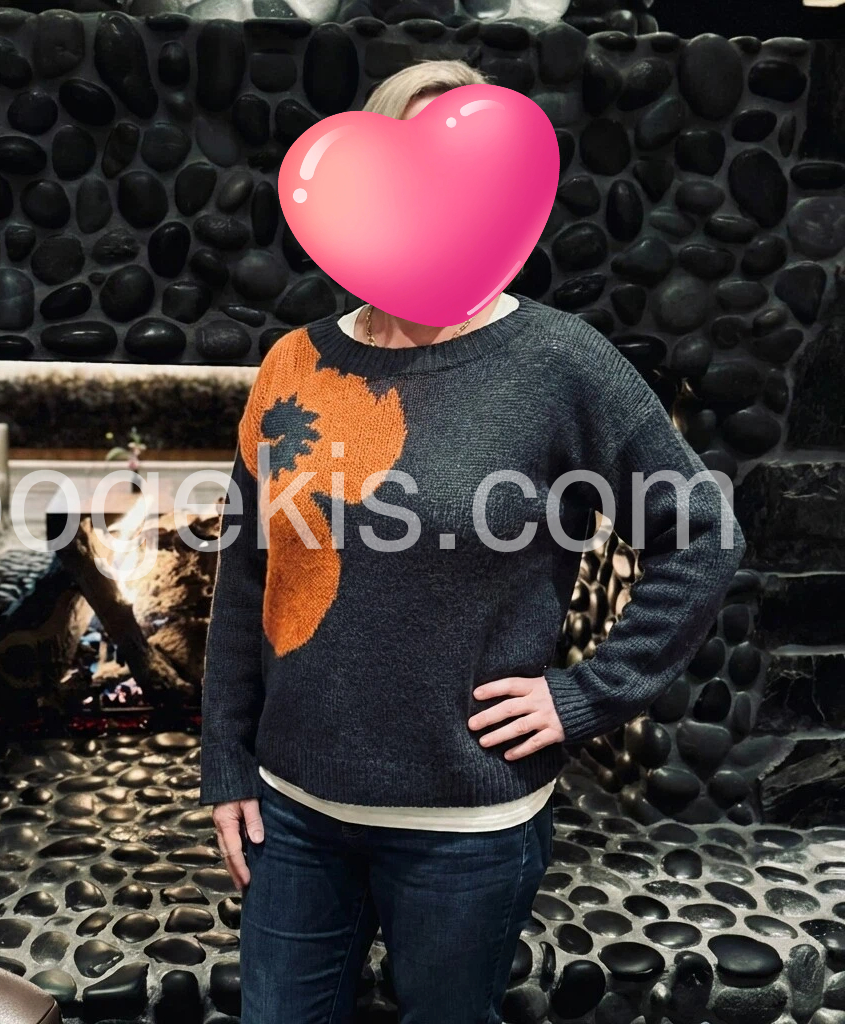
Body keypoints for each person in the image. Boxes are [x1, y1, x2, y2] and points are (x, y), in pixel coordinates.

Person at [198, 59, 746, 1024]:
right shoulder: (295, 364)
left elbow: (702, 531)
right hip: (294, 811)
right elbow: (248, 575)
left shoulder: (558, 361)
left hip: (466, 827)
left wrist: (588, 693)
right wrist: (227, 761)